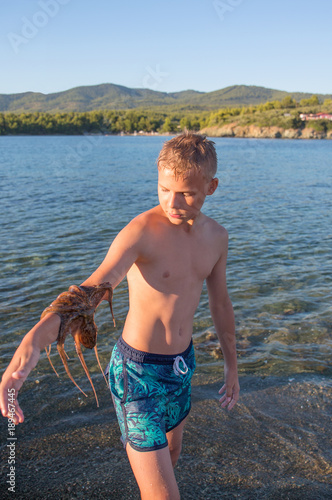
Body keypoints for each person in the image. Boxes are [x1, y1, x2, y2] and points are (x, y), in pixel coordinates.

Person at [0, 132, 240, 500]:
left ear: (212, 187)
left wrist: (231, 366)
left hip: (181, 365)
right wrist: (31, 345)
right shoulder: (142, 231)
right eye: (163, 189)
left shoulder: (217, 237)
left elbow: (220, 304)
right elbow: (89, 293)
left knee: (173, 455)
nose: (172, 202)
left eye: (186, 194)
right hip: (136, 374)